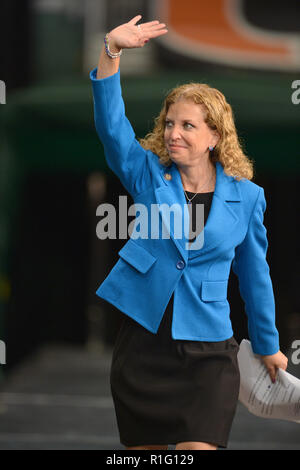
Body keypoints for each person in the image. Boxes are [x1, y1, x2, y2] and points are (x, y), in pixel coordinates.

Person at [90, 15, 288, 451]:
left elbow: (255, 276)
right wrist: (112, 51)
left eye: (187, 126)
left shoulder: (248, 197)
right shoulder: (147, 173)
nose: (172, 134)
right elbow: (111, 126)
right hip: (143, 348)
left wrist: (268, 344)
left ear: (215, 134)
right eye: (168, 124)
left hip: (210, 354)